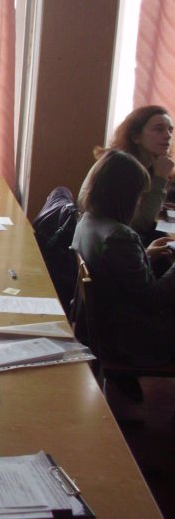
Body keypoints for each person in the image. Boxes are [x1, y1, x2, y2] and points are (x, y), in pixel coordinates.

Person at [73, 149, 175, 366]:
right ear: (125, 196)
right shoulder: (120, 236)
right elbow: (152, 299)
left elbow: (111, 272)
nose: (140, 203)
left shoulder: (87, 220)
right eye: (139, 195)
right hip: (132, 336)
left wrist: (145, 253)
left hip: (108, 326)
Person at [85, 105, 174, 238]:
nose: (168, 136)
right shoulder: (121, 167)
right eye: (158, 129)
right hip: (111, 242)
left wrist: (158, 206)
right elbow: (139, 225)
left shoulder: (144, 165)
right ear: (135, 136)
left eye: (170, 130)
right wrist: (160, 179)